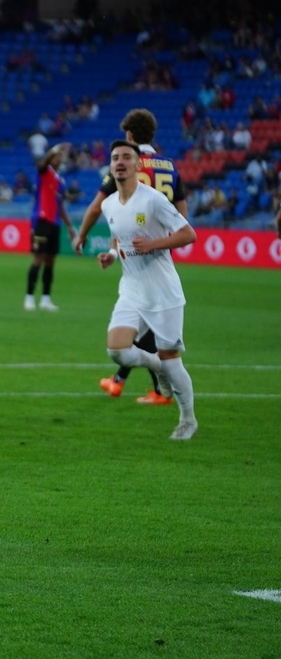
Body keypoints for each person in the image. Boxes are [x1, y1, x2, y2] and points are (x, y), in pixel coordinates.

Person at [73, 108, 187, 405]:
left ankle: (145, 383)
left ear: (129, 135)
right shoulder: (169, 166)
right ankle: (128, 380)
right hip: (160, 250)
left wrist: (81, 235)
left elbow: (98, 206)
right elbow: (182, 215)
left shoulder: (127, 164)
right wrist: (160, 242)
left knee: (142, 318)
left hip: (139, 253)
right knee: (145, 319)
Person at [96, 140, 198, 441]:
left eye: (127, 157)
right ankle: (157, 366)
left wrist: (153, 244)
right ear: (110, 165)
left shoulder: (153, 200)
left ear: (138, 165)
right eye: (115, 158)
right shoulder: (108, 204)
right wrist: (112, 255)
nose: (120, 162)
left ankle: (188, 419)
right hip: (131, 288)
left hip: (163, 291)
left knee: (172, 358)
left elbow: (188, 233)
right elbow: (119, 237)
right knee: (117, 349)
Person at [25, 143, 77, 311]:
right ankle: (29, 297)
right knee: (38, 258)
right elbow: (42, 164)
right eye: (56, 156)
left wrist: (70, 227)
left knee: (50, 261)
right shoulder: (44, 172)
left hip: (55, 222)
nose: (58, 158)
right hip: (41, 220)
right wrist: (53, 150)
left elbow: (60, 205)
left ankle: (46, 299)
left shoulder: (59, 179)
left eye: (60, 156)